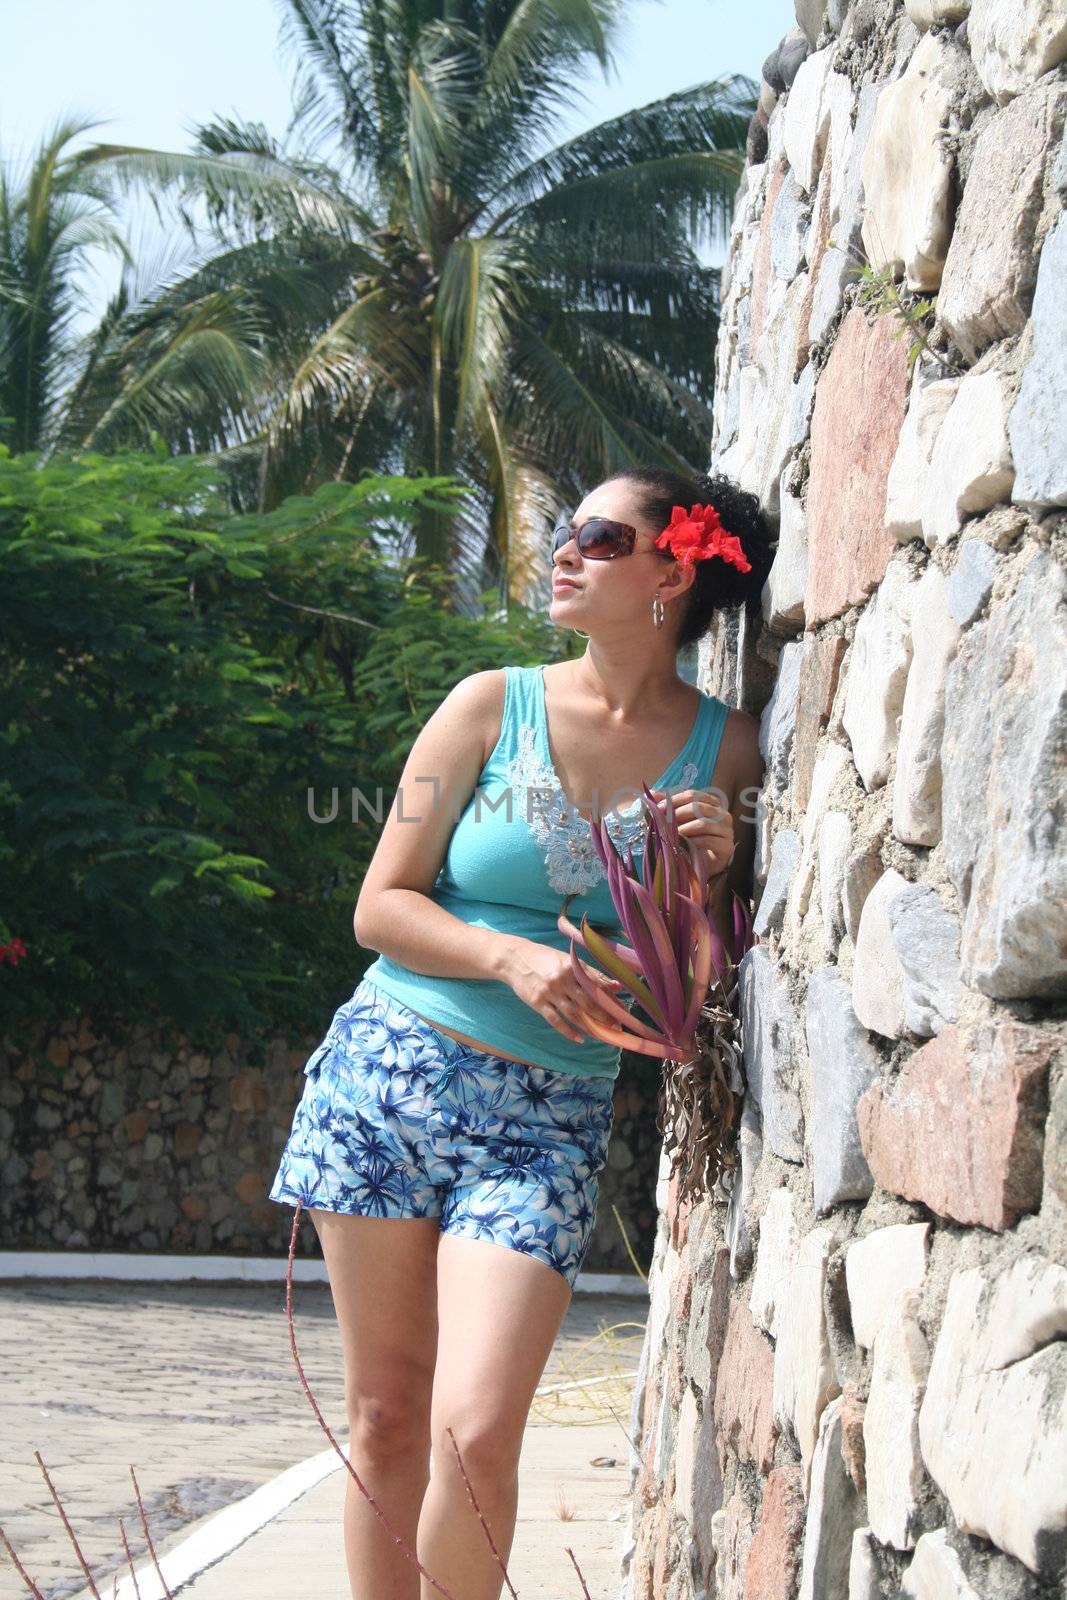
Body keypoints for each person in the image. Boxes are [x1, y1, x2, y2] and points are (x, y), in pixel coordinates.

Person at [267, 464, 772, 1600]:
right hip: (389, 1079)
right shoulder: (487, 704)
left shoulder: (725, 755)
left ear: (669, 573)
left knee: (477, 1426)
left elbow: (702, 986)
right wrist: (507, 952)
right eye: (564, 530)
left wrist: (715, 872)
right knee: (388, 1413)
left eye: (595, 534)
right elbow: (378, 904)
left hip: (543, 1120)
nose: (562, 550)